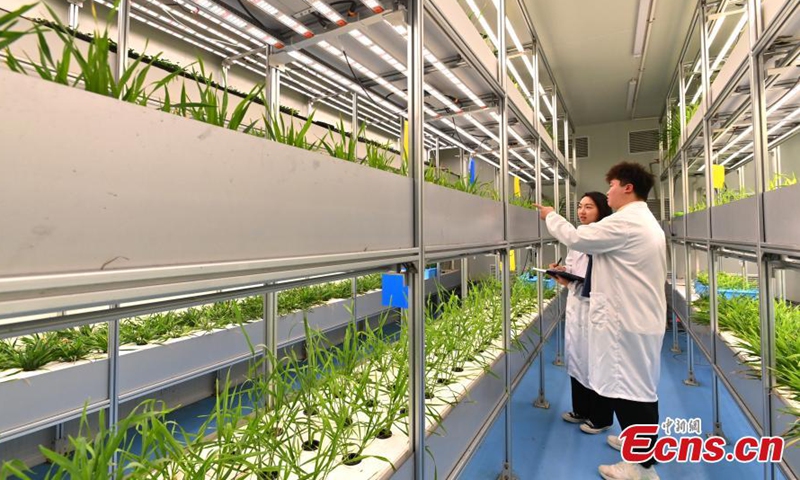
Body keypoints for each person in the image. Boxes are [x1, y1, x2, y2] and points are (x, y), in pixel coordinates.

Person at [536, 162, 666, 480]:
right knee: (631, 389)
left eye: (610, 186)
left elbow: (577, 237)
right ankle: (635, 445)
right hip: (634, 319)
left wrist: (550, 215)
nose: (607, 192)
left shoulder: (627, 222)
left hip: (628, 322)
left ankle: (639, 466)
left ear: (627, 188)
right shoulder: (639, 220)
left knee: (633, 392)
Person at [550, 192, 614, 434]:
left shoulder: (604, 237)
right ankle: (581, 410)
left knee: (597, 362)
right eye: (579, 207)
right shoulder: (578, 239)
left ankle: (602, 417)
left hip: (596, 308)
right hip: (577, 305)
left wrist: (573, 281)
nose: (582, 211)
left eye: (589, 207)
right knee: (577, 358)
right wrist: (562, 271)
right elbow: (575, 266)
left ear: (601, 210)